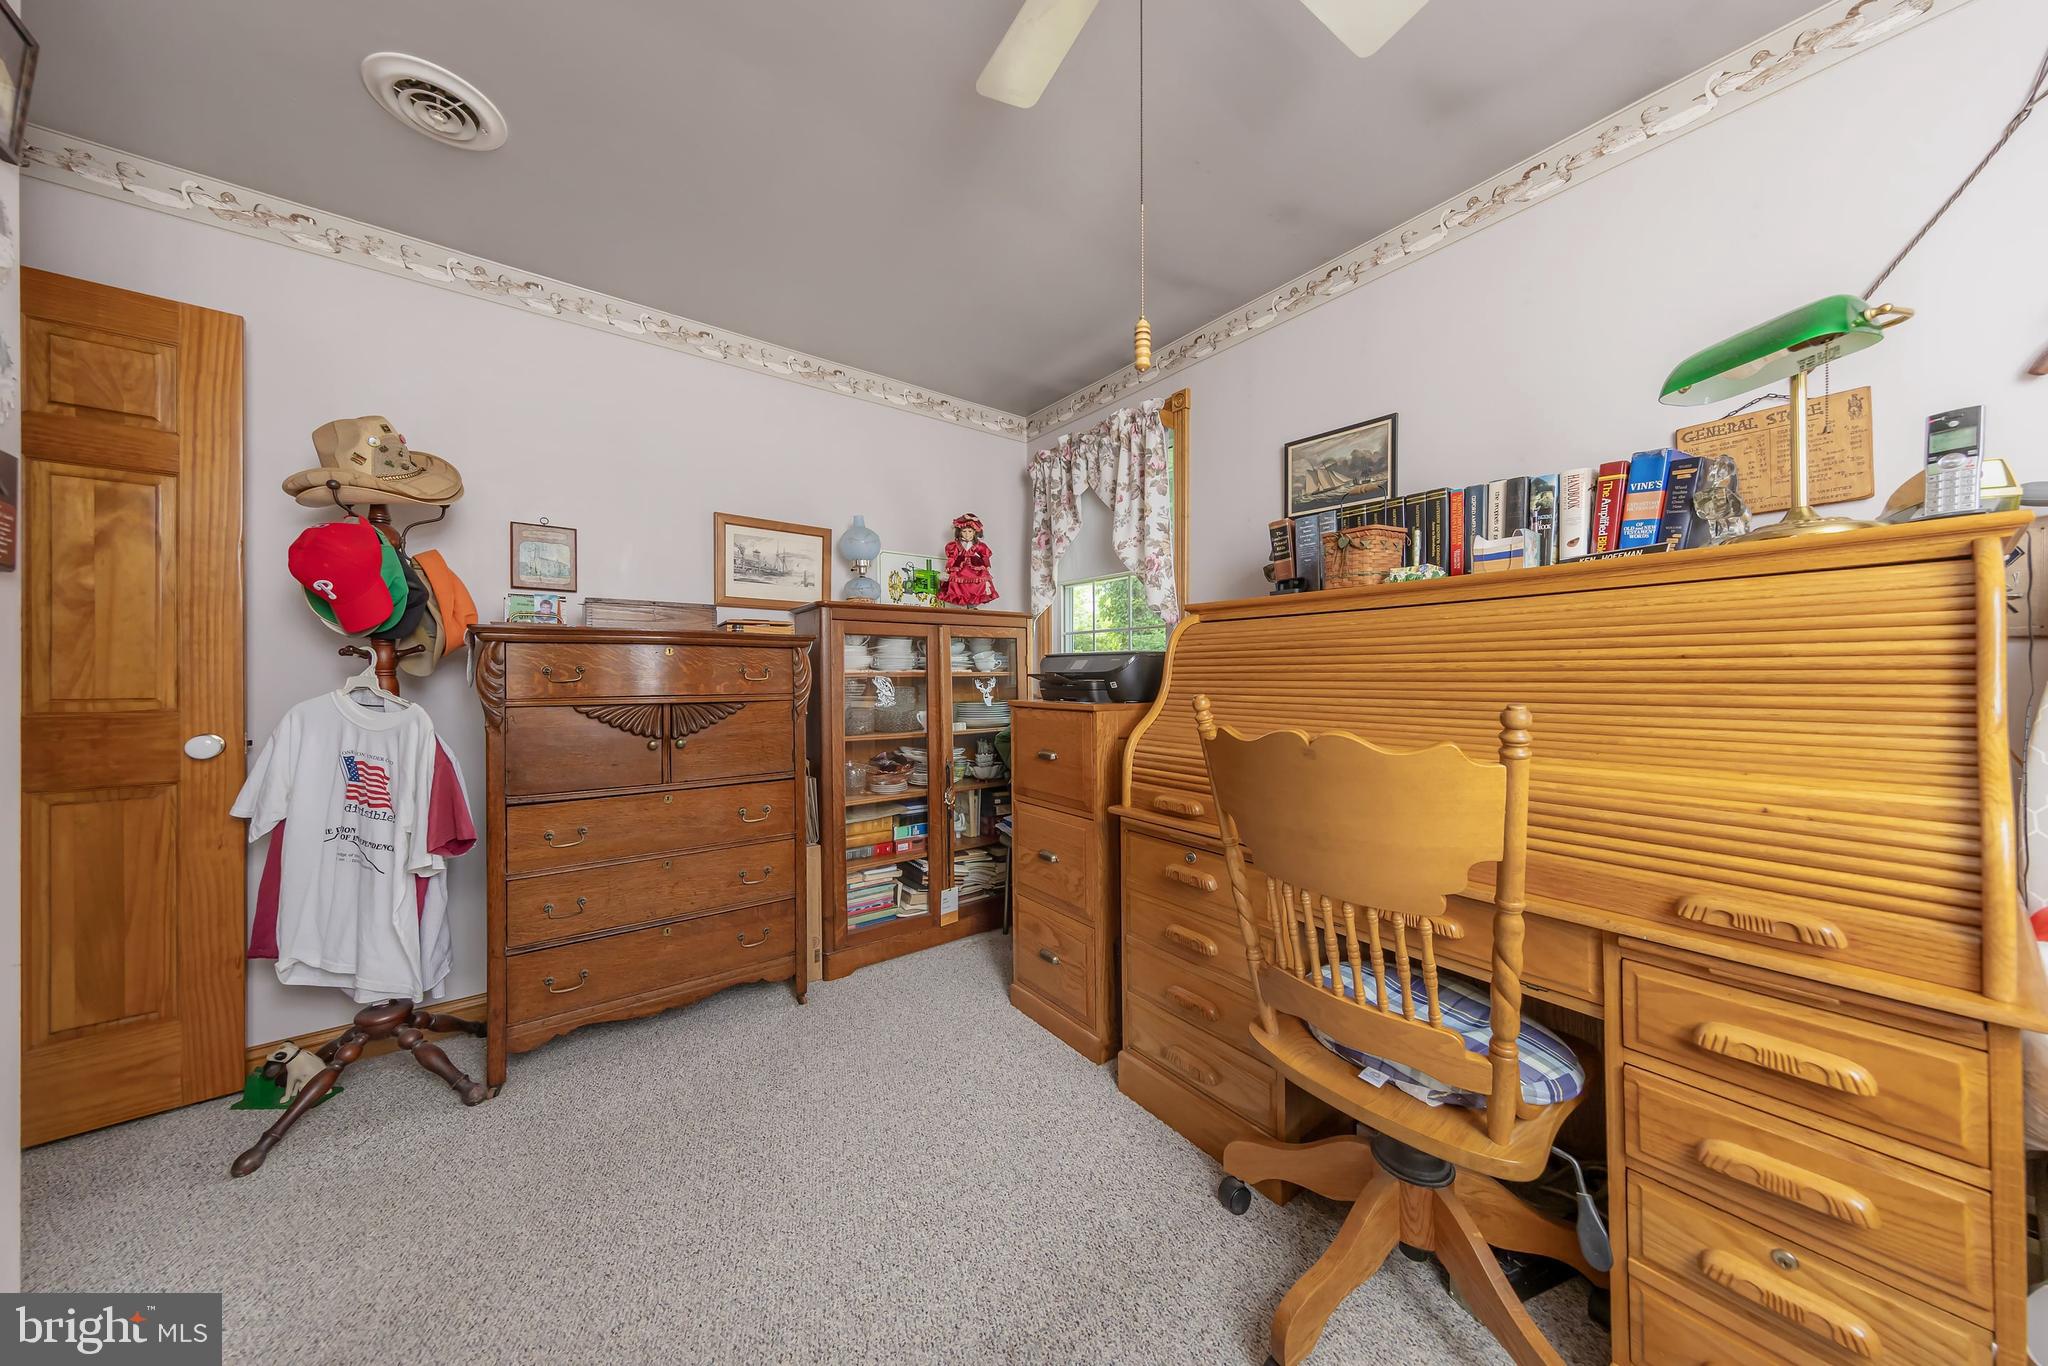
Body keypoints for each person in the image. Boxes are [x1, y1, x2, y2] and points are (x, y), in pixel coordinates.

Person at [939, 513, 997, 608]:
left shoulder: (979, 545)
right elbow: (952, 558)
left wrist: (987, 565)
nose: (967, 534)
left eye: (970, 531)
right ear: (960, 532)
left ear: (975, 532)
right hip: (959, 567)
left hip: (975, 566)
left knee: (977, 583)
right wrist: (948, 568)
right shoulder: (954, 545)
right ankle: (962, 604)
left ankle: (973, 604)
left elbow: (985, 556)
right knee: (958, 584)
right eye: (964, 531)